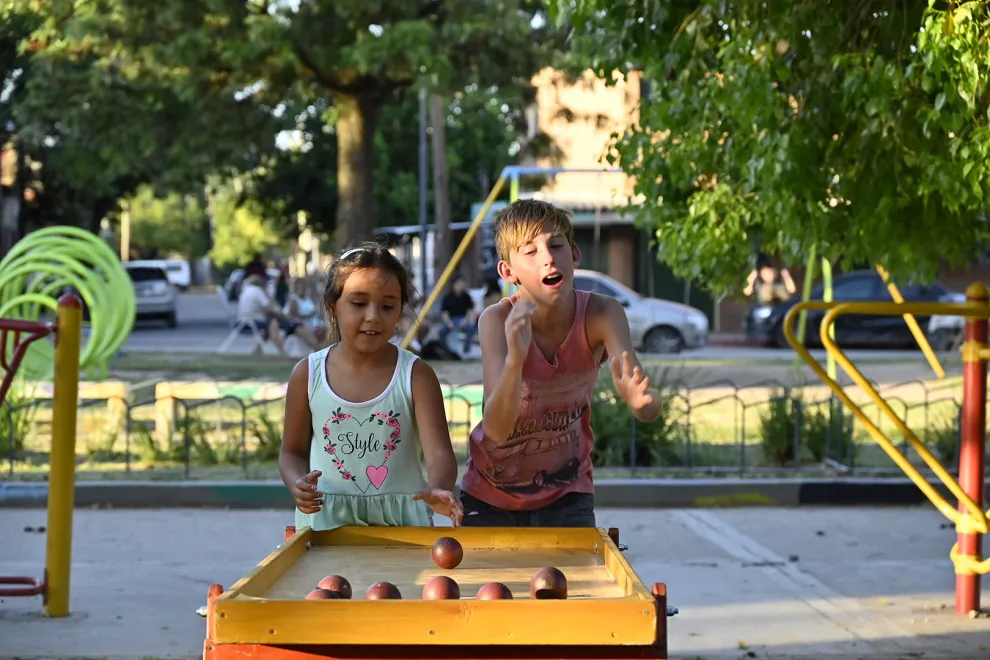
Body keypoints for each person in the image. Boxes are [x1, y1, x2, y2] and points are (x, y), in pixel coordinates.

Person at [459, 199, 664, 528]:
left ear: (575, 254)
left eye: (556, 245)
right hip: (489, 498)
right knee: (489, 583)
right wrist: (515, 361)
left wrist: (643, 404)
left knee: (569, 582)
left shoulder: (603, 314)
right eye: (531, 251)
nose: (549, 258)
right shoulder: (496, 321)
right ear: (507, 271)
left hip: (568, 495)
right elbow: (496, 430)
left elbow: (647, 404)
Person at [278, 242, 464, 531]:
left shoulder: (416, 375)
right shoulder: (308, 374)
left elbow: (439, 453)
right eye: (358, 303)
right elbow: (291, 452)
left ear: (400, 311)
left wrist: (439, 488)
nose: (373, 316)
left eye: (388, 306)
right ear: (332, 307)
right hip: (327, 527)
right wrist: (297, 483)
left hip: (404, 530)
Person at [438, 274, 478, 357]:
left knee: (471, 328)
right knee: (441, 331)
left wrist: (465, 321)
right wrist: (449, 323)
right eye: (459, 283)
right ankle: (447, 351)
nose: (461, 286)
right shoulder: (447, 297)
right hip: (451, 320)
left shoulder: (467, 297)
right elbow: (444, 313)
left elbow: (470, 311)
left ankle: (466, 351)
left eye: (462, 284)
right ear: (454, 285)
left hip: (463, 319)